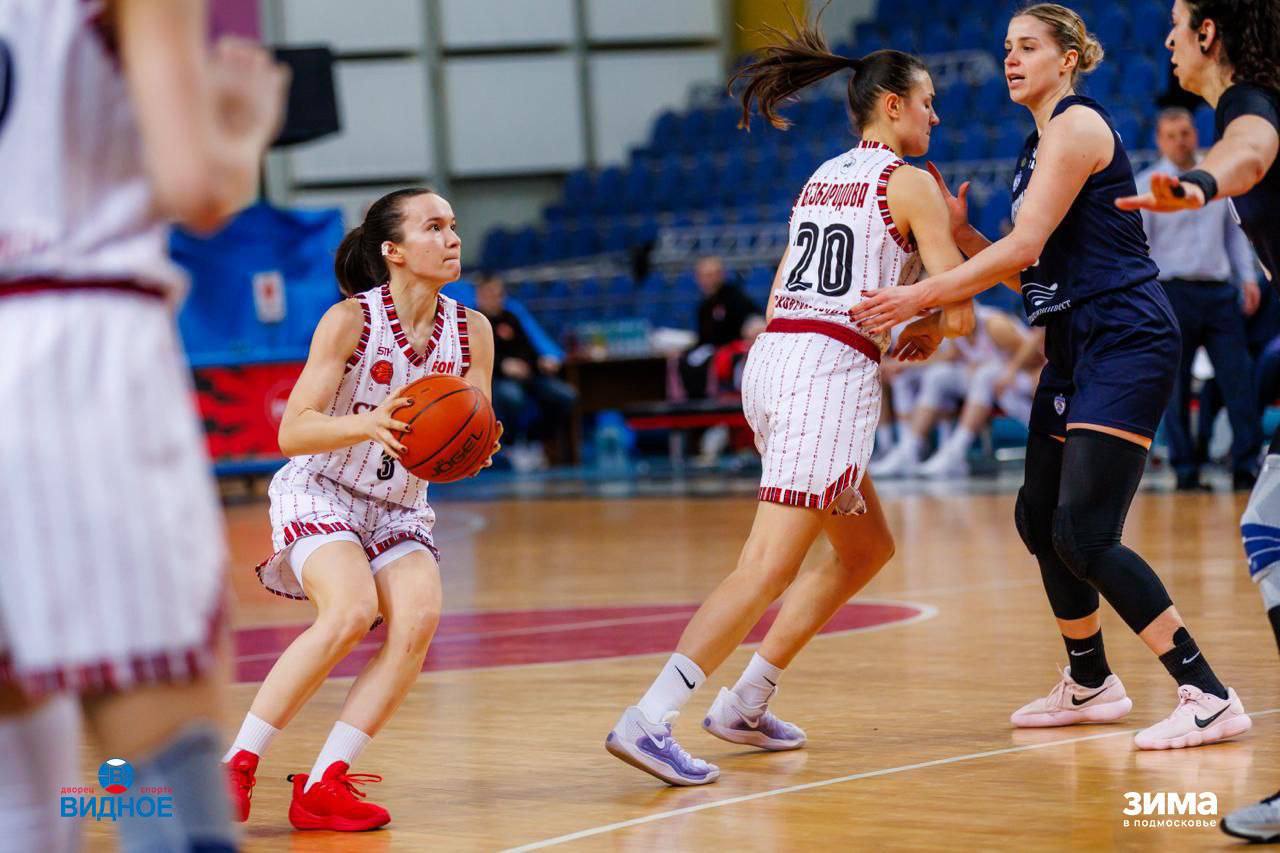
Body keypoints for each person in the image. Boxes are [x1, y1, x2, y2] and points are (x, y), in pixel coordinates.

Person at [853, 3, 1251, 751]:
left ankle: (1207, 691)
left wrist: (921, 295)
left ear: (1068, 58)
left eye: (1028, 46)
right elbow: (1034, 273)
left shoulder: (1076, 127)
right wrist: (968, 237)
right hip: (1075, 339)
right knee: (1039, 517)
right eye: (1007, 47)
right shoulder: (1034, 148)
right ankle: (1090, 680)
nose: (1011, 58)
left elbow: (1026, 246)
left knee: (1084, 532)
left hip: (1126, 336)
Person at [606, 14, 975, 786]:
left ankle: (747, 699)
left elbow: (785, 286)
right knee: (765, 566)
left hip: (775, 362)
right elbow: (963, 312)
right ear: (894, 106)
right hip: (825, 377)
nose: (936, 116)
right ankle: (649, 717)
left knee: (865, 548)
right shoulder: (912, 183)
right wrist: (933, 313)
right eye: (928, 101)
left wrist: (918, 295)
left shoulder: (822, 176)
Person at [0, 2, 286, 850]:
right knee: (163, 783)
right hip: (74, 357)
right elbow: (195, 188)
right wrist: (241, 129)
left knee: (21, 791)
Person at [222, 188, 499, 831]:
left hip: (399, 505)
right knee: (350, 611)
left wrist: (476, 447)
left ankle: (324, 784)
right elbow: (293, 431)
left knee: (417, 621)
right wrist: (367, 424)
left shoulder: (474, 330)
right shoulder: (350, 321)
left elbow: (474, 419)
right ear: (393, 250)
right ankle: (236, 763)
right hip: (323, 487)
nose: (453, 238)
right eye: (434, 227)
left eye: (454, 225)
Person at [1115, 0, 1280, 839]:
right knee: (1271, 527)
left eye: (1178, 23)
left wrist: (1201, 184)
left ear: (1209, 33)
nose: (1168, 39)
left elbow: (1247, 152)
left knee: (1271, 527)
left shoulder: (1248, 107)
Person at [1137, 106, 1262, 491]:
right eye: (1171, 135)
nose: (1180, 141)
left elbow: (1234, 234)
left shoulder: (1216, 177)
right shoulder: (1146, 185)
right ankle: (1185, 470)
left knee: (1239, 380)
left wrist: (1247, 278)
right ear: (1159, 141)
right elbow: (1140, 248)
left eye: (1186, 133)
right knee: (1174, 386)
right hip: (1171, 293)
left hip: (1219, 292)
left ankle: (1246, 465)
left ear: (1195, 133)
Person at [873, 305, 1041, 478]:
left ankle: (956, 453)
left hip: (1016, 376)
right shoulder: (954, 326)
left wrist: (1004, 369)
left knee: (985, 375)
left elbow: (1036, 358)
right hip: (983, 378)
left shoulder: (995, 325)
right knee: (937, 376)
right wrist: (902, 365)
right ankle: (909, 450)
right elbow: (950, 357)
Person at [475, 273, 576, 471]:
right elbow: (475, 357)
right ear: (480, 295)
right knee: (512, 397)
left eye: (499, 293)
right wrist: (503, 365)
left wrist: (541, 361)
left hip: (529, 376)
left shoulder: (511, 317)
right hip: (495, 379)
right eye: (490, 293)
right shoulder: (474, 321)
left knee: (565, 396)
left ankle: (538, 441)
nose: (496, 298)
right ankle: (510, 446)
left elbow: (528, 348)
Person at [679, 256, 760, 399]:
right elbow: (703, 337)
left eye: (712, 275)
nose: (708, 280)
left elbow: (752, 325)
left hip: (733, 348)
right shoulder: (704, 305)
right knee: (685, 359)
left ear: (721, 275)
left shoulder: (736, 298)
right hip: (710, 349)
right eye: (704, 276)